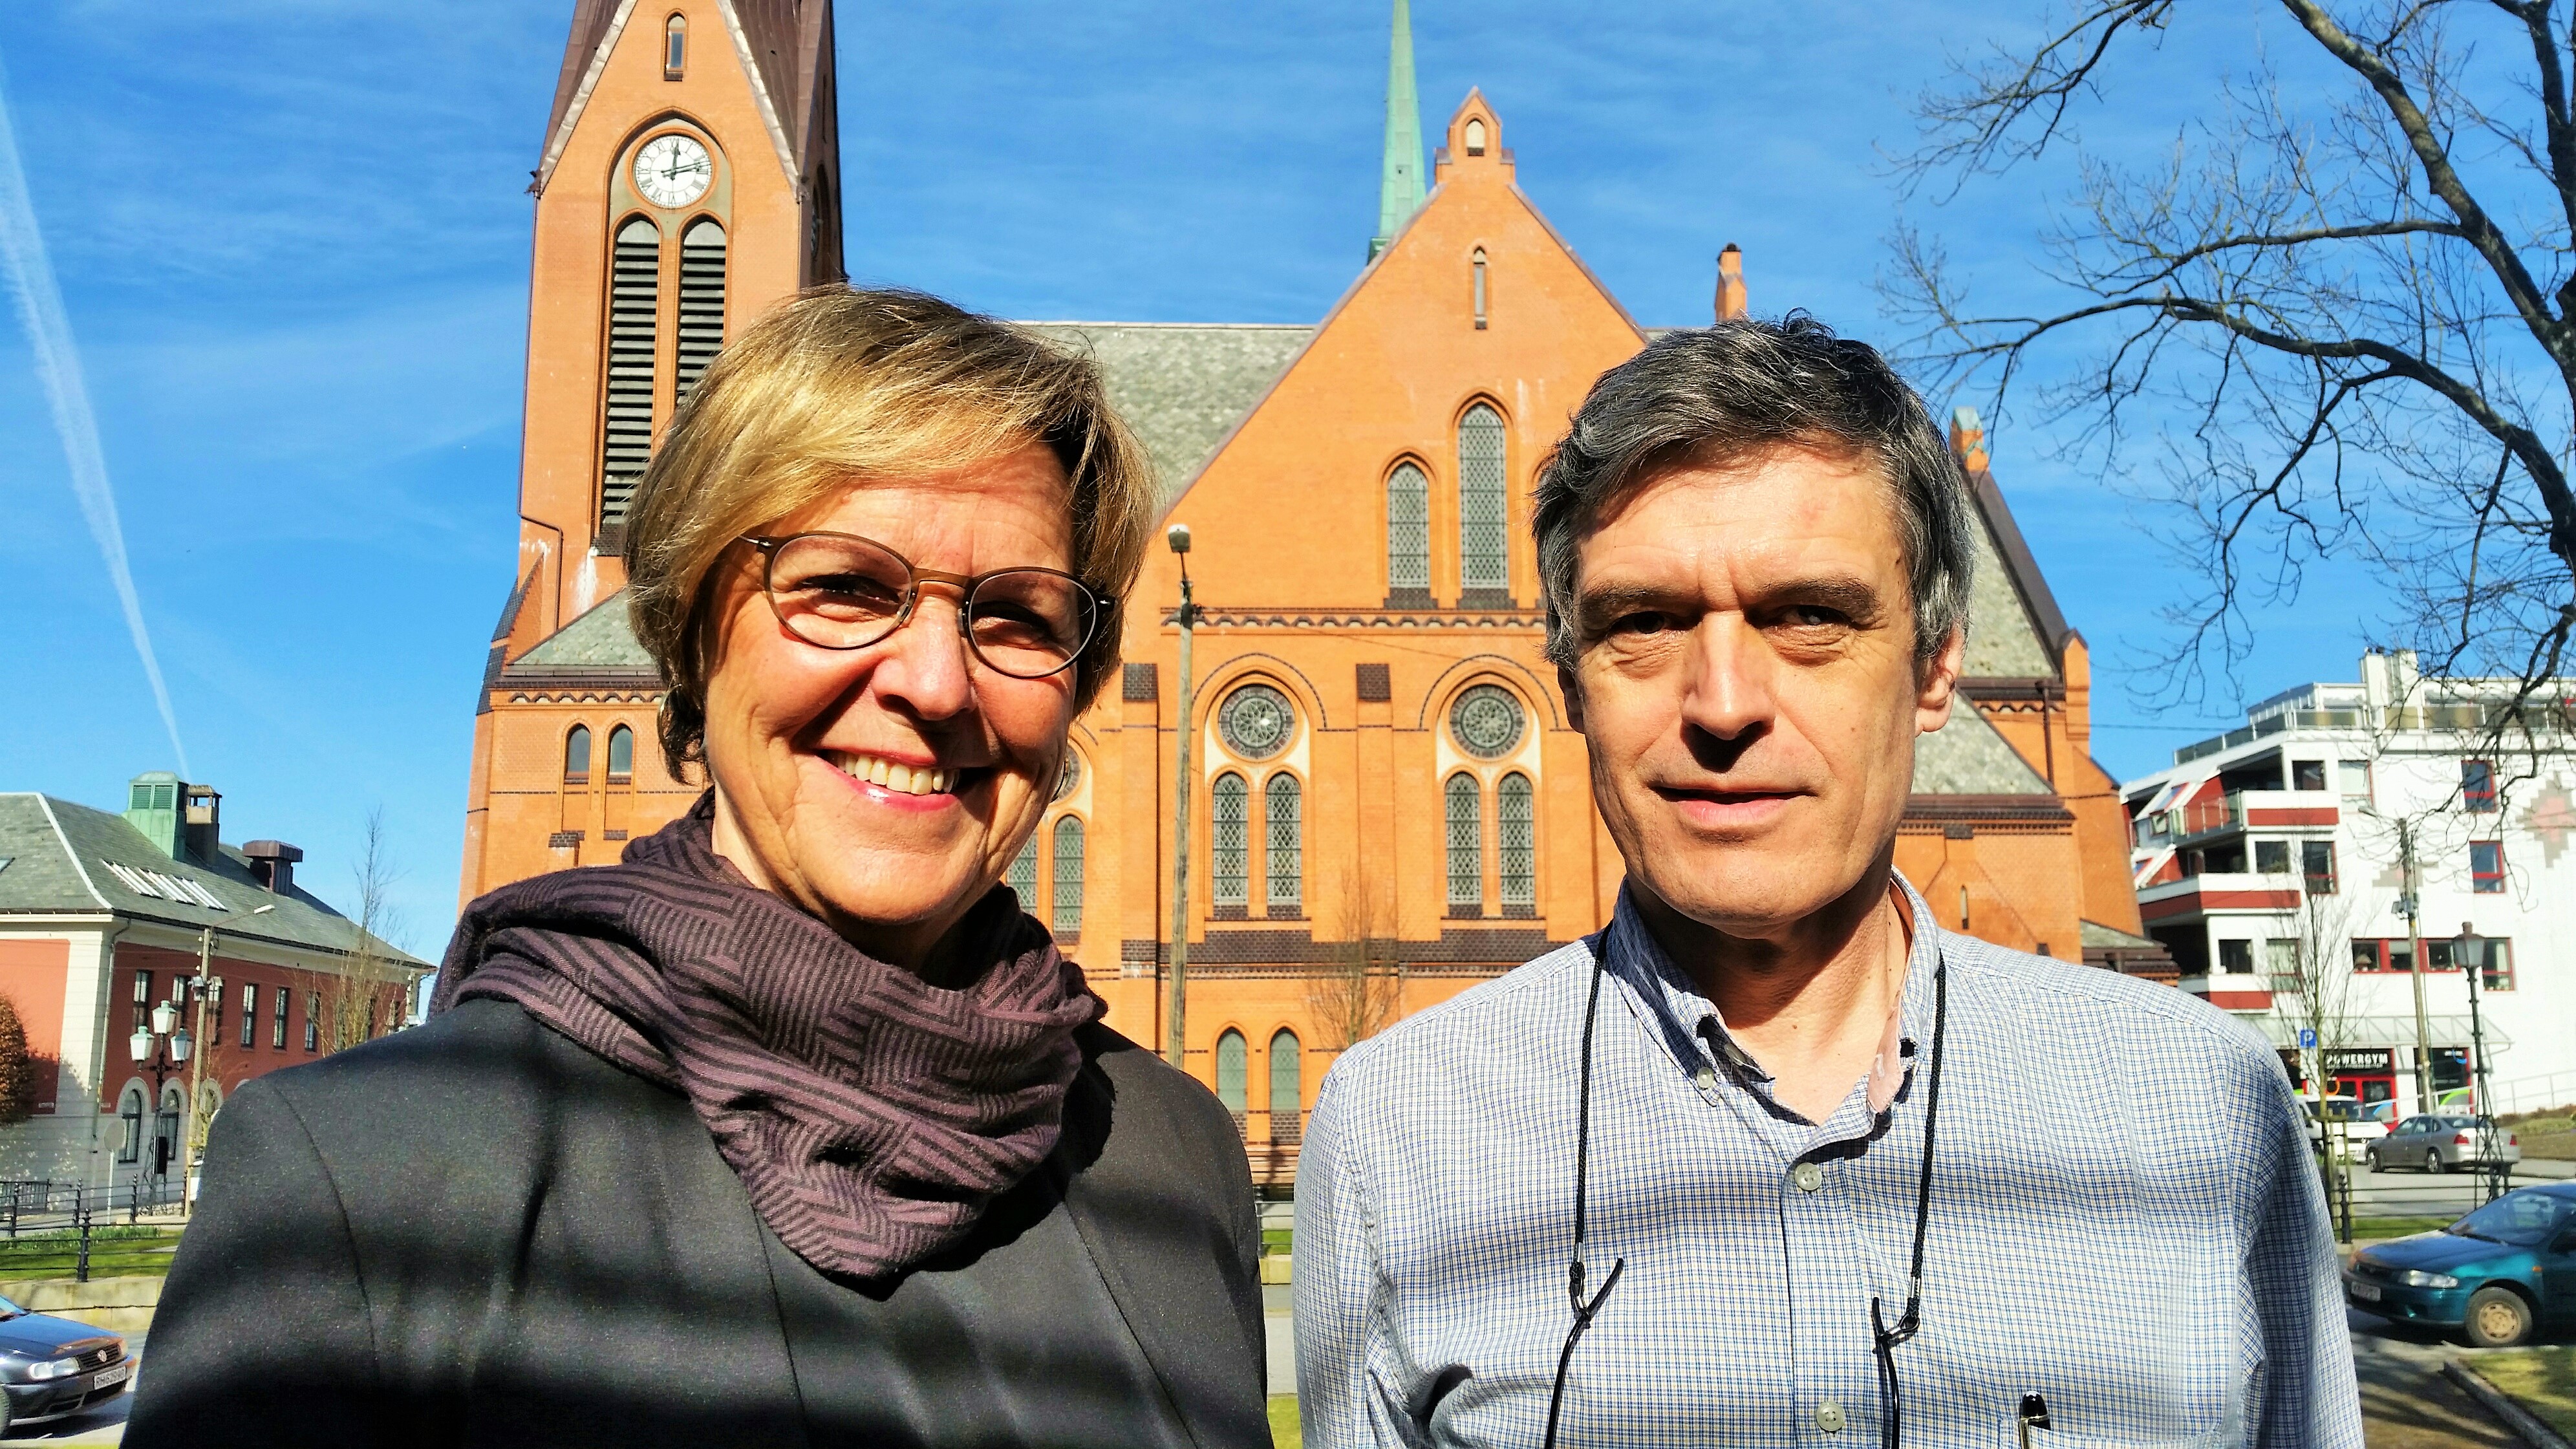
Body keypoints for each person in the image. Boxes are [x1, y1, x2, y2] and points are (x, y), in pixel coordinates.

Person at [129, 290, 1269, 1449]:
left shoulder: (1172, 1158)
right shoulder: (362, 1182)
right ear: (692, 634)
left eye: (1017, 615)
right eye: (844, 585)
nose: (934, 683)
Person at [1294, 317, 2360, 1447]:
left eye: (1808, 616)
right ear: (1570, 683)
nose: (1722, 703)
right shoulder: (1395, 1134)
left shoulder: (2209, 1112)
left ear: (1937, 666)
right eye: (1643, 623)